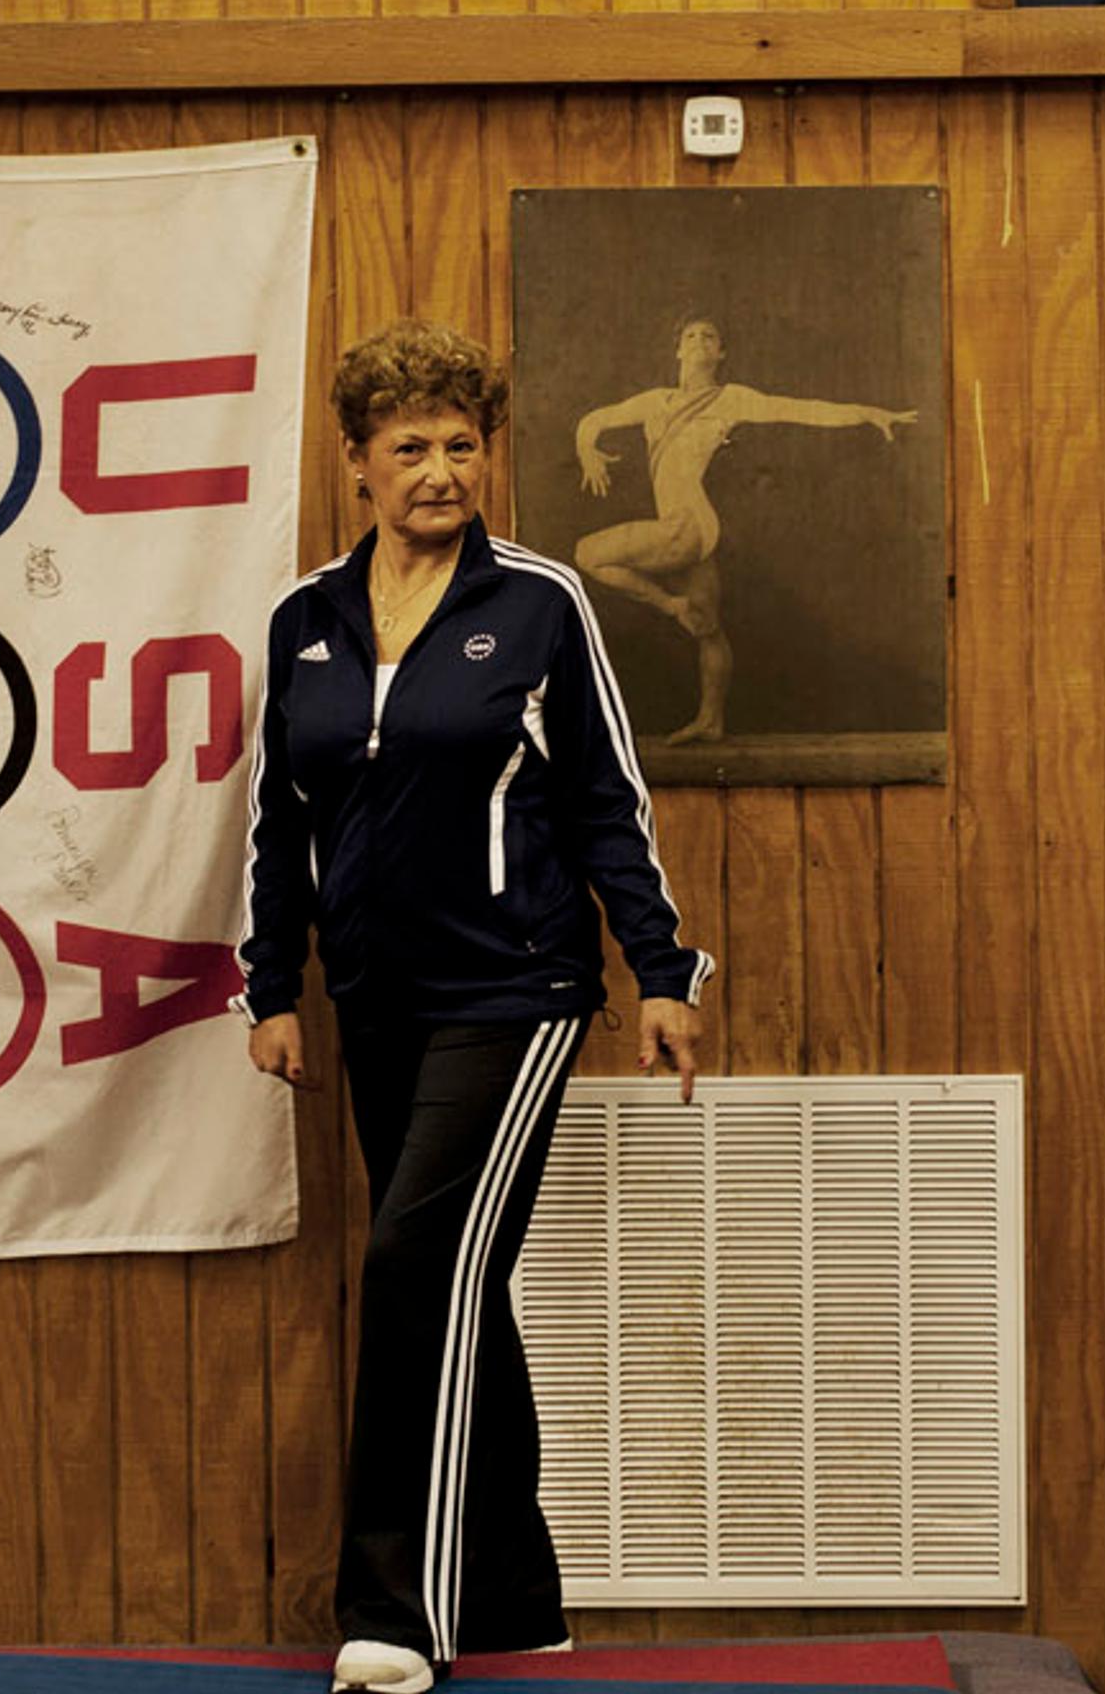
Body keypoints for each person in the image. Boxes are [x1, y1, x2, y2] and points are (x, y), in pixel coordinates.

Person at [241, 319, 712, 1694]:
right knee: (460, 1287)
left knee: (411, 1272)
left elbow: (605, 803)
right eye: (410, 450)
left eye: (462, 446)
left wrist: (663, 972)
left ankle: (394, 1612)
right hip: (376, 999)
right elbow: (282, 818)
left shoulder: (540, 605)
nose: (441, 471)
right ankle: (514, 1601)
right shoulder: (307, 623)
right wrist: (276, 986)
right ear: (358, 466)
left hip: (516, 992)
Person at [571, 317, 916, 744]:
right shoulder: (655, 401)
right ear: (678, 351)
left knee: (588, 554)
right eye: (690, 336)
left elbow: (803, 410)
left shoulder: (730, 399)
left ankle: (668, 606)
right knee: (709, 628)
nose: (699, 342)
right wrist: (587, 451)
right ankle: (711, 720)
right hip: (688, 527)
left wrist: (867, 413)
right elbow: (594, 420)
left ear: (721, 354)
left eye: (709, 337)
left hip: (688, 524)